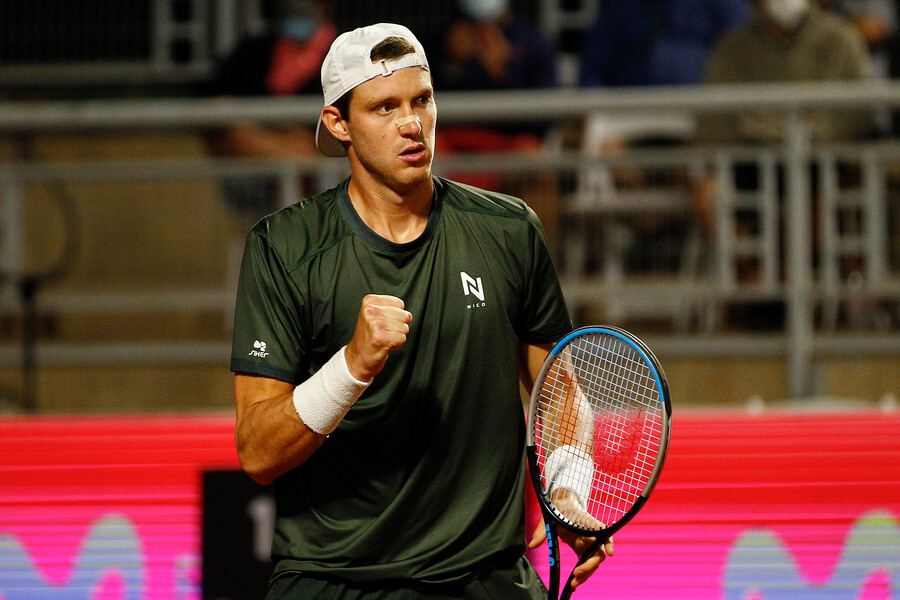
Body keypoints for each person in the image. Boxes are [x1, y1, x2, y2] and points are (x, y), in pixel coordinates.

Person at [230, 22, 613, 600]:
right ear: (338, 123)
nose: (412, 123)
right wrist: (351, 366)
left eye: (422, 100)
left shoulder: (508, 230)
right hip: (332, 579)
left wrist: (567, 489)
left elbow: (557, 389)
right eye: (384, 107)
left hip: (484, 575)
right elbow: (259, 452)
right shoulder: (284, 248)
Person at [579, 0, 750, 88]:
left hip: (701, 107)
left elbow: (742, 55)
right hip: (630, 109)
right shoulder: (622, 6)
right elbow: (592, 69)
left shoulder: (723, 5)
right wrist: (597, 110)